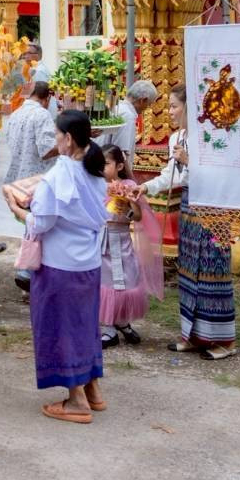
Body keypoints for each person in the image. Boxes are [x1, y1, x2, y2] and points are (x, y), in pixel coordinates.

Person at [27, 110, 108, 424]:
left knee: (62, 328)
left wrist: (20, 212)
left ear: (69, 139)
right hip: (88, 262)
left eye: (57, 135)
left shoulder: (61, 174)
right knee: (85, 324)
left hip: (60, 264)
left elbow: (42, 222)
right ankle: (92, 389)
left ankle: (76, 400)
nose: (55, 140)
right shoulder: (94, 170)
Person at [166, 86, 238, 360]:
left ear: (188, 107)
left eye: (174, 106)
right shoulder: (177, 138)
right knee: (189, 269)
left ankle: (224, 341)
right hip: (189, 205)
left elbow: (222, 174)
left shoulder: (213, 135)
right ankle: (194, 335)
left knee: (212, 269)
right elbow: (172, 175)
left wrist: (189, 161)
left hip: (213, 207)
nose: (170, 112)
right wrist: (145, 188)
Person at [97, 145, 163, 348]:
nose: (102, 168)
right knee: (105, 282)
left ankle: (122, 322)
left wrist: (129, 202)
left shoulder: (129, 185)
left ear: (119, 166)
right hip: (101, 242)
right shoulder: (95, 184)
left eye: (106, 164)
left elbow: (138, 216)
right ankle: (109, 328)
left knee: (126, 280)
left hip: (122, 239)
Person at [0, 82, 60, 186]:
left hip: (17, 178)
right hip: (35, 180)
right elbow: (47, 150)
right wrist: (72, 143)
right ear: (48, 98)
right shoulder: (42, 114)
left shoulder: (15, 114)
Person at [111, 79, 159, 168]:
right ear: (142, 100)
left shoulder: (117, 108)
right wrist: (130, 176)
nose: (147, 108)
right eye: (148, 104)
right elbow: (121, 155)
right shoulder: (127, 116)